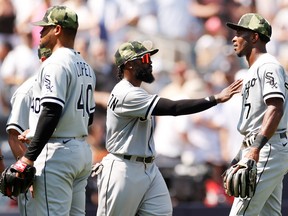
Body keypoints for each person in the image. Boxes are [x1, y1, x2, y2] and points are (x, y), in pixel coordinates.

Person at [95, 40, 242, 216]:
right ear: (128, 65)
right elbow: (174, 108)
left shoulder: (135, 91)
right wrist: (215, 99)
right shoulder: (126, 93)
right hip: (124, 168)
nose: (149, 62)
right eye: (145, 58)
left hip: (147, 167)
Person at [15, 6, 96, 216]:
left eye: (45, 28)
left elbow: (51, 111)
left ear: (58, 30)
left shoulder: (55, 63)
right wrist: (36, 131)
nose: (40, 32)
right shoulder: (85, 66)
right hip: (81, 152)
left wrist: (28, 157)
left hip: (57, 154)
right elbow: (88, 118)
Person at [226, 13, 288, 215]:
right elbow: (255, 118)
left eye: (240, 33)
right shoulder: (252, 70)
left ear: (254, 37)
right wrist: (241, 152)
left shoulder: (268, 65)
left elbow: (275, 107)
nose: (234, 38)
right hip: (261, 146)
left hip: (267, 147)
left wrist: (255, 149)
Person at [5, 47, 51, 216]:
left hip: (54, 168)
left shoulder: (62, 87)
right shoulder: (28, 90)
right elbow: (14, 136)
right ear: (44, 59)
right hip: (34, 171)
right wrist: (27, 175)